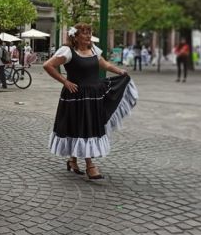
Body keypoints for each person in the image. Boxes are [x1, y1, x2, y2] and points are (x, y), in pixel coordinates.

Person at [43, 23, 138, 180]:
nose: (88, 36)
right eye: (85, 33)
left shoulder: (94, 50)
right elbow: (48, 65)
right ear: (76, 36)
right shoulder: (68, 51)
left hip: (93, 95)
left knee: (82, 127)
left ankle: (73, 160)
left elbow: (104, 64)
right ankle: (90, 165)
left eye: (89, 33)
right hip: (76, 96)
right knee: (83, 127)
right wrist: (65, 81)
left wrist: (119, 71)